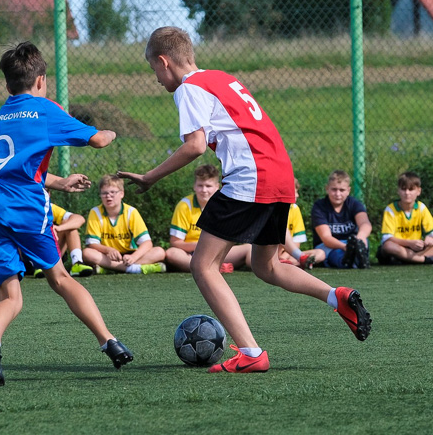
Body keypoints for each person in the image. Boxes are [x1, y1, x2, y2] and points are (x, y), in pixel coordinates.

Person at [117, 26, 371, 374]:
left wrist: (150, 177)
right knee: (266, 265)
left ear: (163, 62)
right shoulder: (220, 77)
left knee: (202, 265)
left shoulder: (189, 88)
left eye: (153, 70)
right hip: (280, 174)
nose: (157, 79)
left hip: (252, 177)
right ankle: (336, 296)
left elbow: (194, 145)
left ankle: (251, 353)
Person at [0, 41, 132, 387]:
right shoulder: (45, 109)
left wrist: (58, 183)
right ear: (41, 80)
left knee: (11, 297)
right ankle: (109, 341)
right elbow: (98, 141)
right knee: (59, 277)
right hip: (26, 208)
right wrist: (111, 131)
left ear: (7, 84)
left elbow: (18, 166)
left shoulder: (6, 110)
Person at [165, 164, 251, 273]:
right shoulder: (184, 205)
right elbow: (175, 243)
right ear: (194, 186)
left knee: (249, 249)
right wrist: (200, 246)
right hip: (191, 254)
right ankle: (208, 268)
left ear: (217, 186)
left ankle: (268, 267)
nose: (204, 190)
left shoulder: (224, 205)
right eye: (200, 185)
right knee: (172, 253)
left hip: (218, 253)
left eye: (208, 186)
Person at [82, 174, 166, 274]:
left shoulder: (131, 212)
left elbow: (147, 243)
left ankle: (110, 268)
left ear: (121, 194)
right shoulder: (95, 212)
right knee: (87, 253)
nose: (108, 196)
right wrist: (109, 250)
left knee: (159, 252)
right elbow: (92, 244)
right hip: (108, 255)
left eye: (113, 192)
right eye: (104, 193)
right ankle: (135, 268)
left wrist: (133, 257)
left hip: (130, 255)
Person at [310, 170, 372, 269]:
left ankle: (357, 259)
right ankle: (349, 261)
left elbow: (365, 224)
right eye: (334, 189)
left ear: (348, 190)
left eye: (342, 190)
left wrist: (359, 239)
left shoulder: (354, 204)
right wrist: (345, 247)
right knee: (337, 255)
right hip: (330, 245)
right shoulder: (319, 207)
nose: (338, 194)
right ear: (327, 189)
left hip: (352, 242)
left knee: (363, 242)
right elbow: (326, 238)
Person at [376, 172, 433, 265]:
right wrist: (409, 243)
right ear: (398, 191)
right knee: (388, 246)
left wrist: (429, 238)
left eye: (411, 189)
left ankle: (409, 259)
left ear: (418, 191)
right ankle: (422, 260)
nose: (407, 193)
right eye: (403, 189)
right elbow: (387, 238)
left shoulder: (421, 208)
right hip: (399, 247)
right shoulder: (390, 209)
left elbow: (431, 232)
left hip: (417, 249)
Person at [32, 202, 92, 278]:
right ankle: (38, 265)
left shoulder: (49, 206)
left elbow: (80, 219)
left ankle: (77, 262)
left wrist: (58, 228)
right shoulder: (25, 205)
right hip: (30, 253)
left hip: (52, 251)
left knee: (69, 224)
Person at [280, 178, 325, 269]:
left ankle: (286, 262)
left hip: (290, 253)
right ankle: (285, 262)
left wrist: (285, 256)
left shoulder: (294, 208)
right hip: (271, 252)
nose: (297, 195)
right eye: (294, 192)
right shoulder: (272, 210)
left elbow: (297, 242)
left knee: (320, 253)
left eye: (297, 191)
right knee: (282, 230)